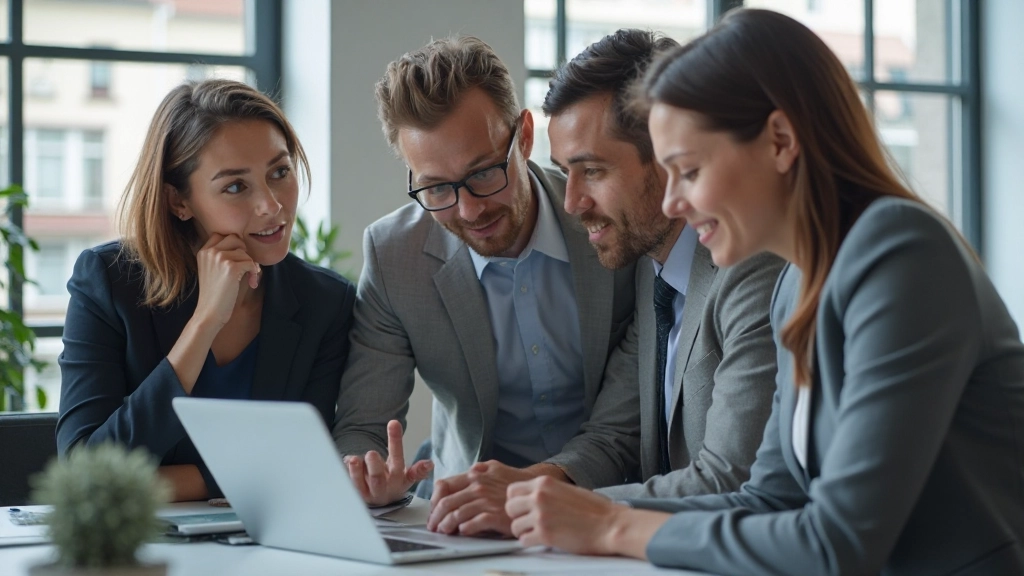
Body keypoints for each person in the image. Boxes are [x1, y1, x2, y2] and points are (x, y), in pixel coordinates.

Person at [505, 9, 1024, 575]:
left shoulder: (902, 253)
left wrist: (608, 525)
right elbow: (766, 500)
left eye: (690, 170)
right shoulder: (797, 284)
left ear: (780, 141)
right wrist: (558, 511)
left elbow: (837, 543)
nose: (674, 202)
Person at [425, 29, 785, 535]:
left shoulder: (749, 266)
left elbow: (731, 479)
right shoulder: (649, 267)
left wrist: (547, 509)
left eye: (591, 171)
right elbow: (616, 432)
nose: (571, 203)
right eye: (562, 173)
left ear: (667, 158)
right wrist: (526, 488)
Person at [332, 36, 640, 526]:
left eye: (483, 174)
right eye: (436, 188)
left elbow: (622, 423)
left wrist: (529, 491)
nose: (469, 209)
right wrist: (367, 475)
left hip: (607, 503)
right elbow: (362, 427)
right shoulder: (394, 256)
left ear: (522, 137)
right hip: (465, 519)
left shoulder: (608, 219)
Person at [57, 79, 356, 502]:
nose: (271, 205)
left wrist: (163, 482)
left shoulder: (325, 302)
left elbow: (302, 466)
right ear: (179, 202)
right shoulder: (108, 282)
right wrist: (205, 323)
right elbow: (85, 475)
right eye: (236, 186)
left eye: (280, 172)